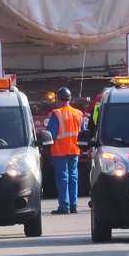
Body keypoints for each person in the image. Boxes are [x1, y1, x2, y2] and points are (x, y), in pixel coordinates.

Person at [46, 86, 83, 215]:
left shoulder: (56, 114)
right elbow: (83, 133)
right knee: (74, 177)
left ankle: (64, 206)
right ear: (69, 98)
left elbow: (51, 133)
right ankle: (74, 206)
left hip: (60, 151)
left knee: (62, 178)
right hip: (74, 150)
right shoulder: (78, 113)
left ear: (58, 99)